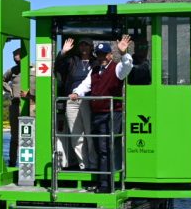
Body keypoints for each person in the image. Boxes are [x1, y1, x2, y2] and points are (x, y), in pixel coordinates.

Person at [70, 34, 133, 193]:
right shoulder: (95, 69)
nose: (102, 58)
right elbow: (85, 85)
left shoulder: (117, 68)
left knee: (106, 148)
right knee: (99, 148)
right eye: (99, 55)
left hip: (111, 113)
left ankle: (106, 184)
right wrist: (76, 93)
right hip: (97, 113)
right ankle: (102, 181)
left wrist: (124, 53)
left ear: (110, 55)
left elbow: (128, 65)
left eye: (104, 55)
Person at [55, 37, 97, 170]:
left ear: (91, 47)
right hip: (72, 100)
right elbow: (57, 66)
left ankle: (94, 165)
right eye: (81, 45)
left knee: (90, 134)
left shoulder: (95, 62)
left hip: (88, 101)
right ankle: (83, 165)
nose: (84, 48)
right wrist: (63, 52)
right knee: (76, 135)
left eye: (86, 45)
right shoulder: (73, 61)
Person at [3, 47, 31, 167]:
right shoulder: (13, 70)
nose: (16, 57)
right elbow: (1, 79)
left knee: (31, 136)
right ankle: (12, 162)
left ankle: (30, 165)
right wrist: (9, 89)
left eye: (18, 54)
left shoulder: (35, 69)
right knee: (15, 136)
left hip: (31, 106)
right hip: (15, 106)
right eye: (14, 55)